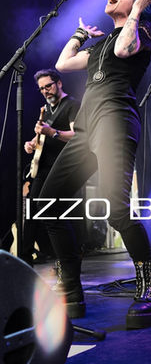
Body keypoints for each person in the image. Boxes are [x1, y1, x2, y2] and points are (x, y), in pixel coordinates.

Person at [38, 0, 151, 329]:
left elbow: (124, 50)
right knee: (49, 204)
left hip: (115, 120)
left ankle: (149, 287)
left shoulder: (142, 33)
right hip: (86, 128)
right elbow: (64, 64)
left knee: (116, 207)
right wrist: (80, 35)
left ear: (138, 1)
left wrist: (137, 12)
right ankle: (71, 290)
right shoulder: (101, 44)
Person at [22, 69, 80, 266]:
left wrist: (52, 132)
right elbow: (40, 136)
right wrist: (31, 144)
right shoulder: (46, 109)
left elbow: (78, 135)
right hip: (43, 166)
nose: (45, 91)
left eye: (48, 86)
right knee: (32, 209)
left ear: (59, 83)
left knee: (51, 210)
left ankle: (65, 258)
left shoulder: (72, 105)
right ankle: (25, 257)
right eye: (41, 89)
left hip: (61, 166)